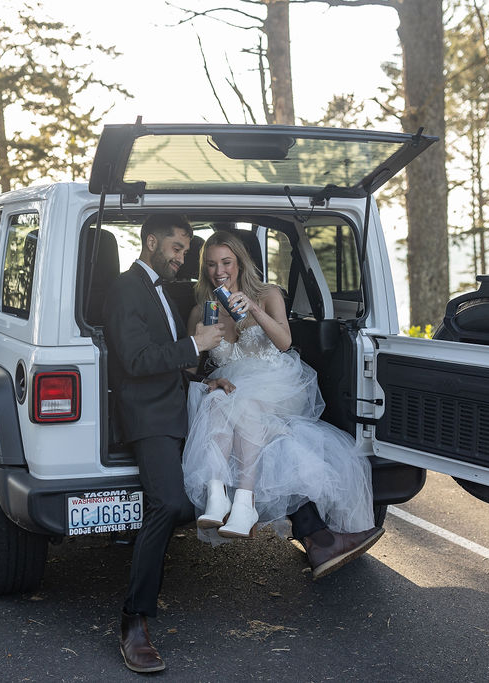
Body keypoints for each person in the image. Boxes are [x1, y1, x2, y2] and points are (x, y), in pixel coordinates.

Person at [182, 230, 383, 572]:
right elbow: (188, 368)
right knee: (215, 399)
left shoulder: (268, 294)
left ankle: (243, 502)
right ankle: (219, 503)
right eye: (212, 264)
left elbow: (285, 343)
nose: (220, 271)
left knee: (238, 402)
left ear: (240, 263)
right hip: (235, 391)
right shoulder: (202, 310)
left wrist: (254, 310)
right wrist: (208, 377)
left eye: (226, 262)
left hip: (278, 385)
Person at [102, 214, 224, 673]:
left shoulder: (158, 289)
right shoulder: (125, 288)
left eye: (185, 250)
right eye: (176, 248)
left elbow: (167, 357)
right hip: (148, 416)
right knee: (168, 504)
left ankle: (314, 535)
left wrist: (204, 379)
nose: (182, 258)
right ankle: (133, 620)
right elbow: (135, 359)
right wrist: (194, 345)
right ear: (150, 241)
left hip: (177, 406)